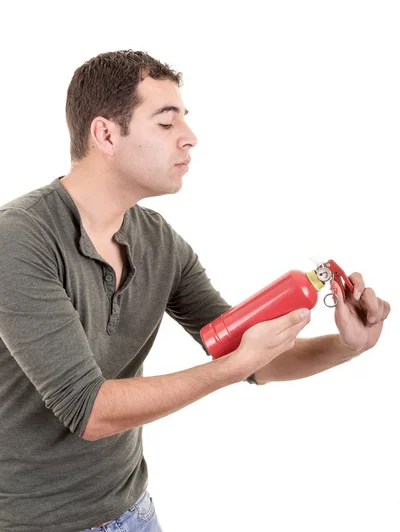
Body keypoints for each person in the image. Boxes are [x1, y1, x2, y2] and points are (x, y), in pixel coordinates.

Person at [0, 50, 390, 532]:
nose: (190, 137)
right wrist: (230, 369)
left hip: (132, 512)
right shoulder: (20, 238)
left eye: (184, 119)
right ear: (105, 134)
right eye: (166, 124)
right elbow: (89, 410)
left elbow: (249, 358)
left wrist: (346, 346)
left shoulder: (158, 241)